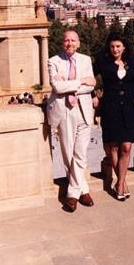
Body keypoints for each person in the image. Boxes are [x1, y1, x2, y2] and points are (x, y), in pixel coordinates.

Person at [47, 30, 97, 212]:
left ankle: (72, 195)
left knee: (80, 154)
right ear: (62, 43)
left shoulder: (86, 60)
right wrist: (81, 81)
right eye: (67, 40)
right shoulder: (54, 61)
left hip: (83, 110)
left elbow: (91, 86)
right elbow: (58, 88)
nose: (70, 43)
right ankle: (83, 190)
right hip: (65, 111)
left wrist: (70, 83)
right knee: (68, 154)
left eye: (73, 40)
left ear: (78, 43)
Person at [93, 32, 134, 201]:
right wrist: (92, 95)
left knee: (126, 146)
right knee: (113, 146)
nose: (115, 49)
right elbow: (88, 75)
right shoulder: (102, 62)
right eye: (112, 46)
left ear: (124, 47)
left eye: (118, 46)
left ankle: (119, 182)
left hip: (128, 107)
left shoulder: (133, 60)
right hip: (110, 107)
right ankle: (121, 183)